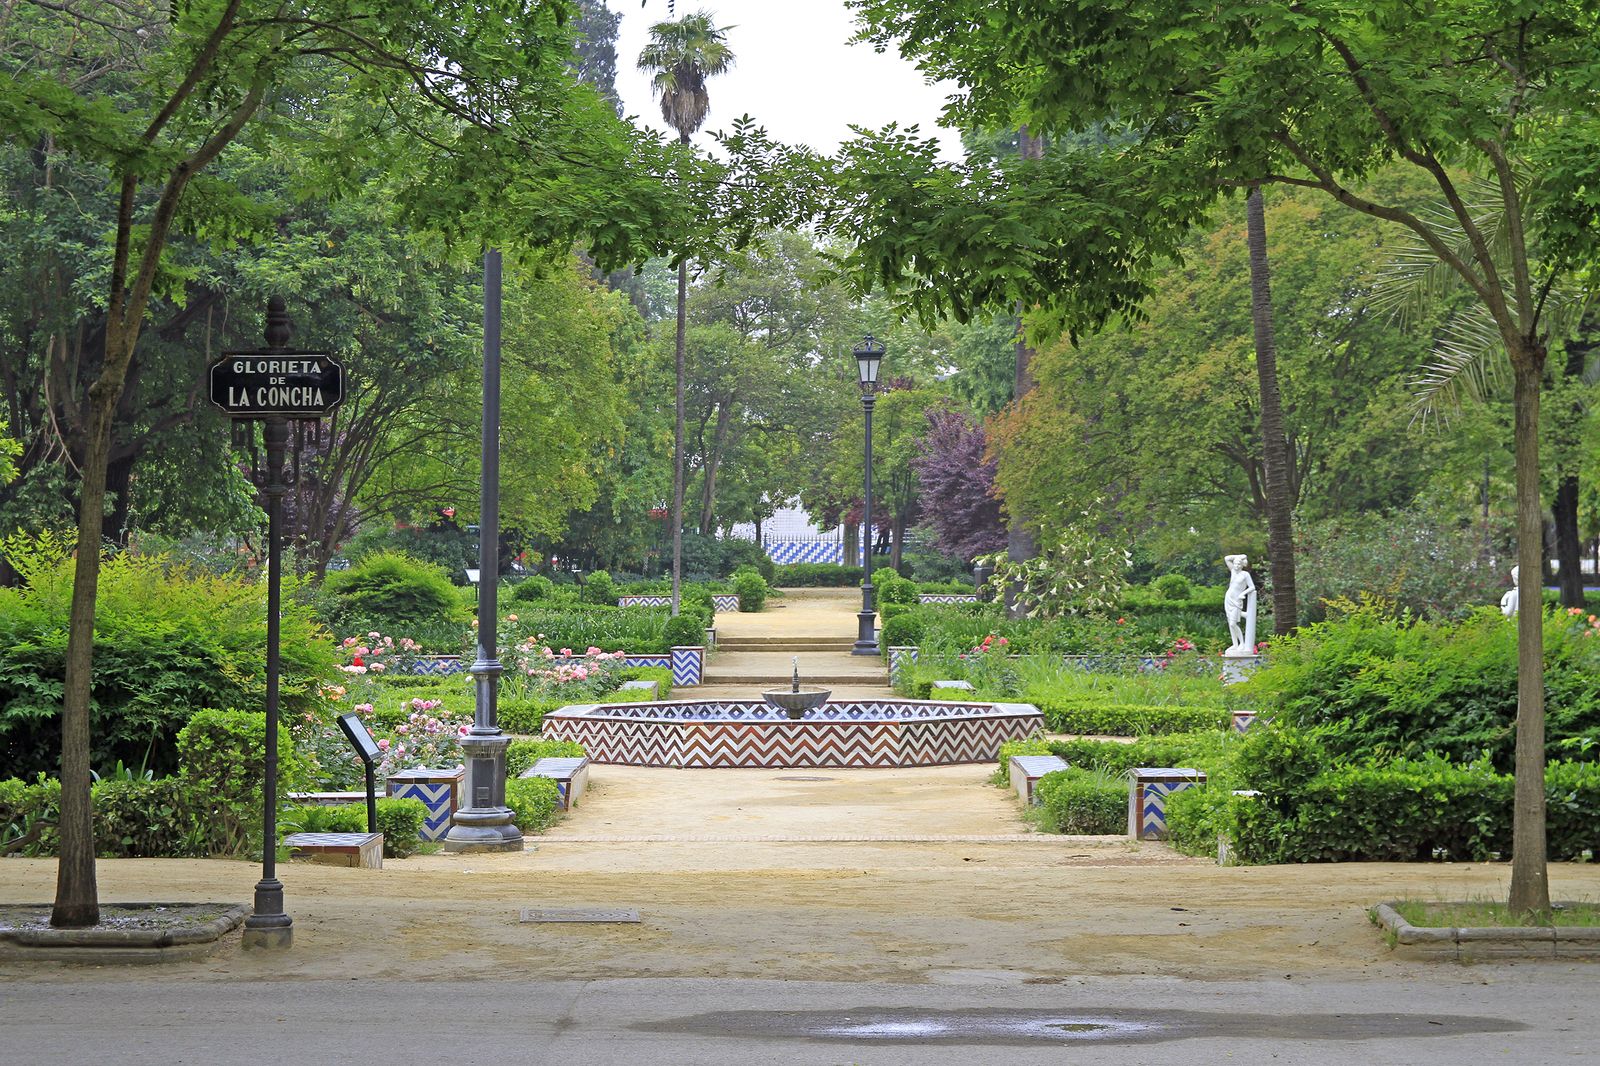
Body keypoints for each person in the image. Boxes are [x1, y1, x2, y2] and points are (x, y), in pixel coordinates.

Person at [1224, 554, 1256, 654]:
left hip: (1237, 601)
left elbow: (1252, 587)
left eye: (1238, 564)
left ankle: (1242, 643)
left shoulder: (1245, 574)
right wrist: (1241, 556)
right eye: (1235, 564)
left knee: (1233, 623)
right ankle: (1235, 644)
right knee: (1230, 623)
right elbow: (1226, 558)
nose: (1236, 566)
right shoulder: (1233, 571)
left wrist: (1243, 593)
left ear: (1242, 565)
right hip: (1229, 598)